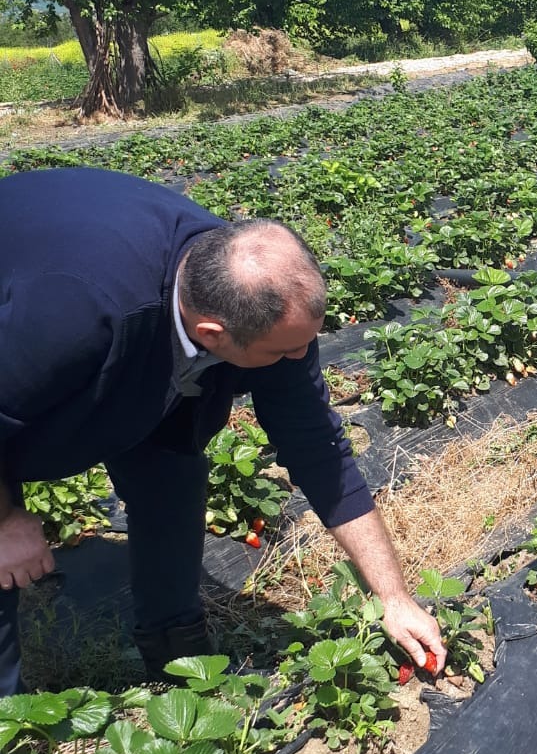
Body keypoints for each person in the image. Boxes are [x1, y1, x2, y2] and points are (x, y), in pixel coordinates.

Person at [0, 166, 443, 697]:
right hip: (32, 310)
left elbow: (318, 447)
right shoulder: (76, 316)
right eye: (283, 351)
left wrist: (393, 596)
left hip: (109, 294)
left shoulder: (250, 291)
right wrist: (5, 517)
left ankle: (177, 660)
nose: (300, 359)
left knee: (171, 477)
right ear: (213, 334)